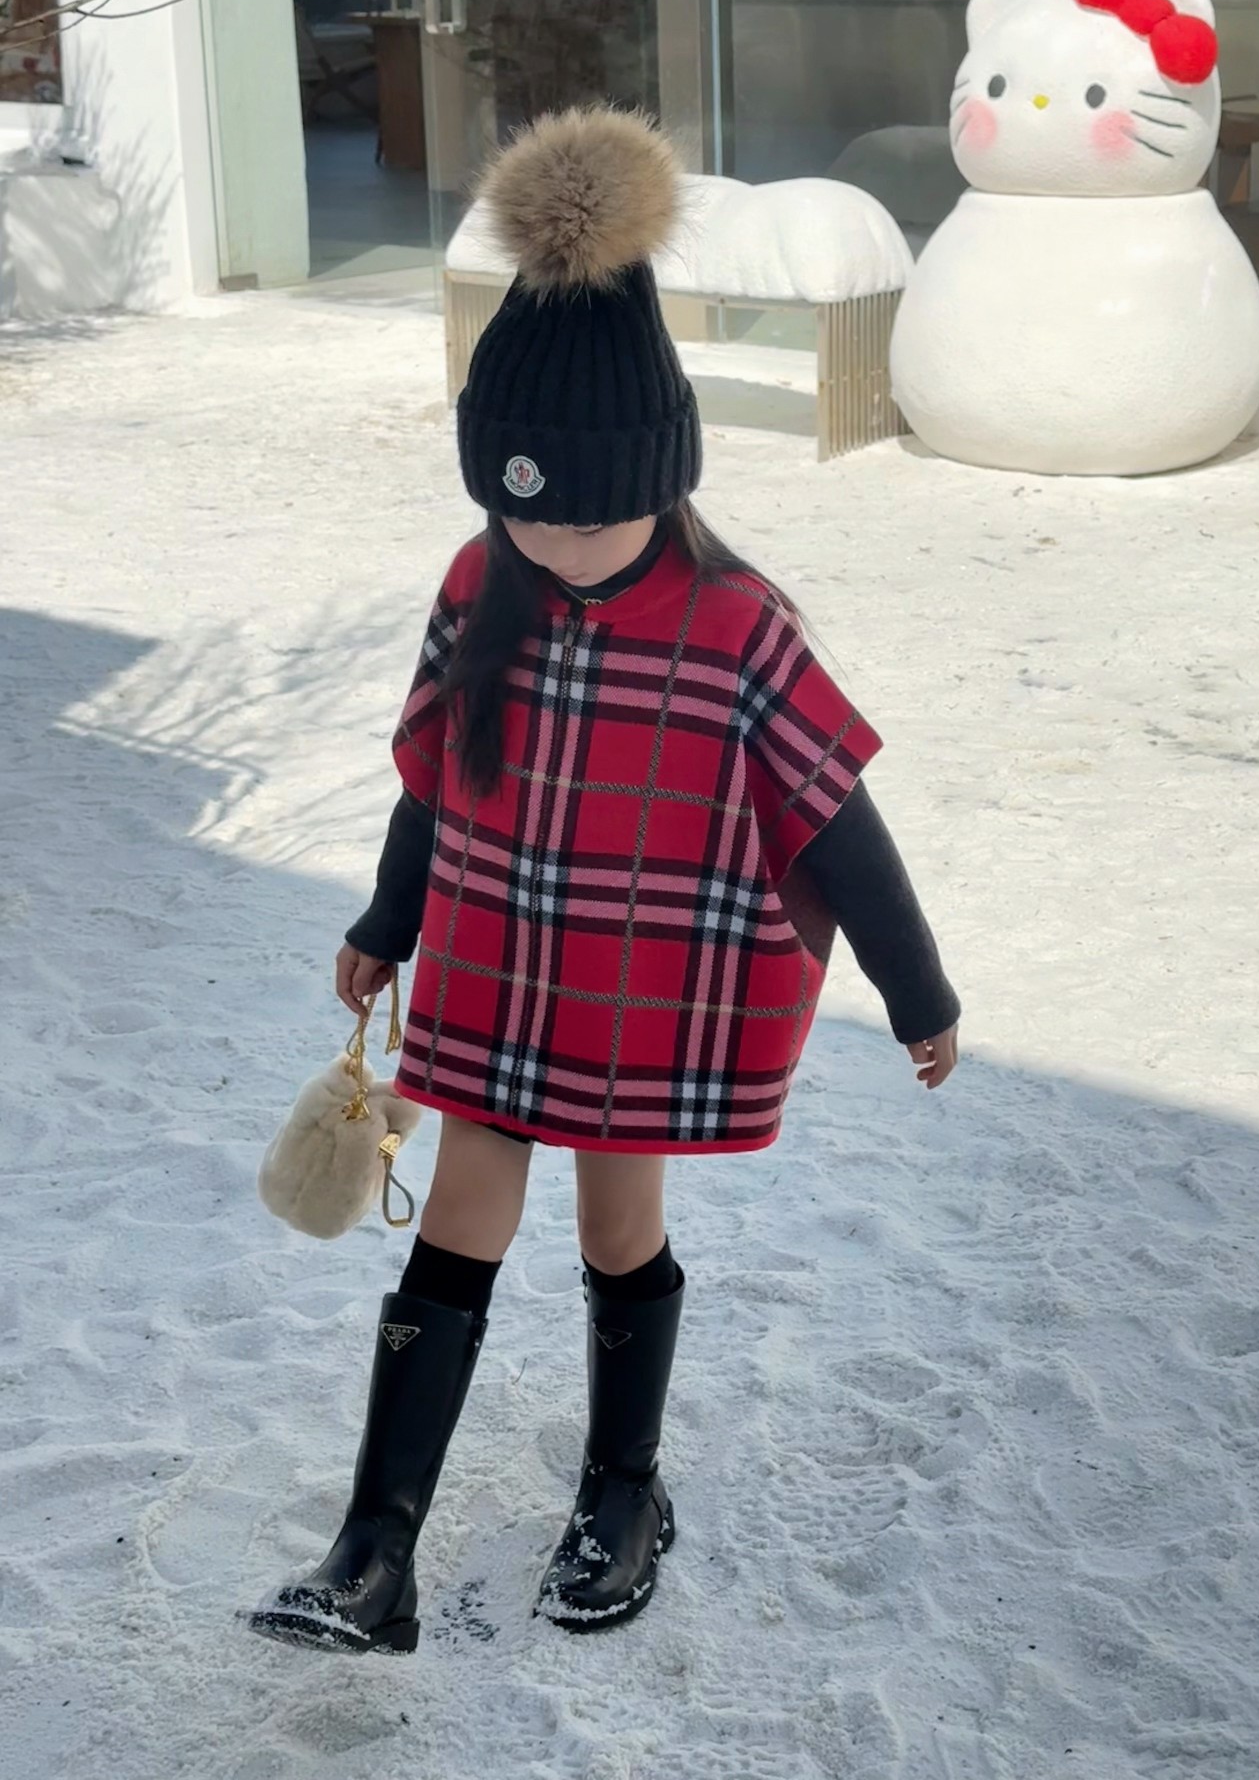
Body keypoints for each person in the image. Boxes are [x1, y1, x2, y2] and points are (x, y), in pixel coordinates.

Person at [249, 107, 960, 1655]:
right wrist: (388, 919)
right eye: (524, 505)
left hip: (640, 995)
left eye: (590, 508)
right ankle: (375, 1551)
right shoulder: (478, 585)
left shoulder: (735, 627)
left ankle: (624, 1491)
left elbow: (835, 814)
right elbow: (436, 778)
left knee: (616, 1233)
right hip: (494, 977)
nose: (558, 539)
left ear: (662, 472)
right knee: (457, 1225)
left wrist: (919, 991)